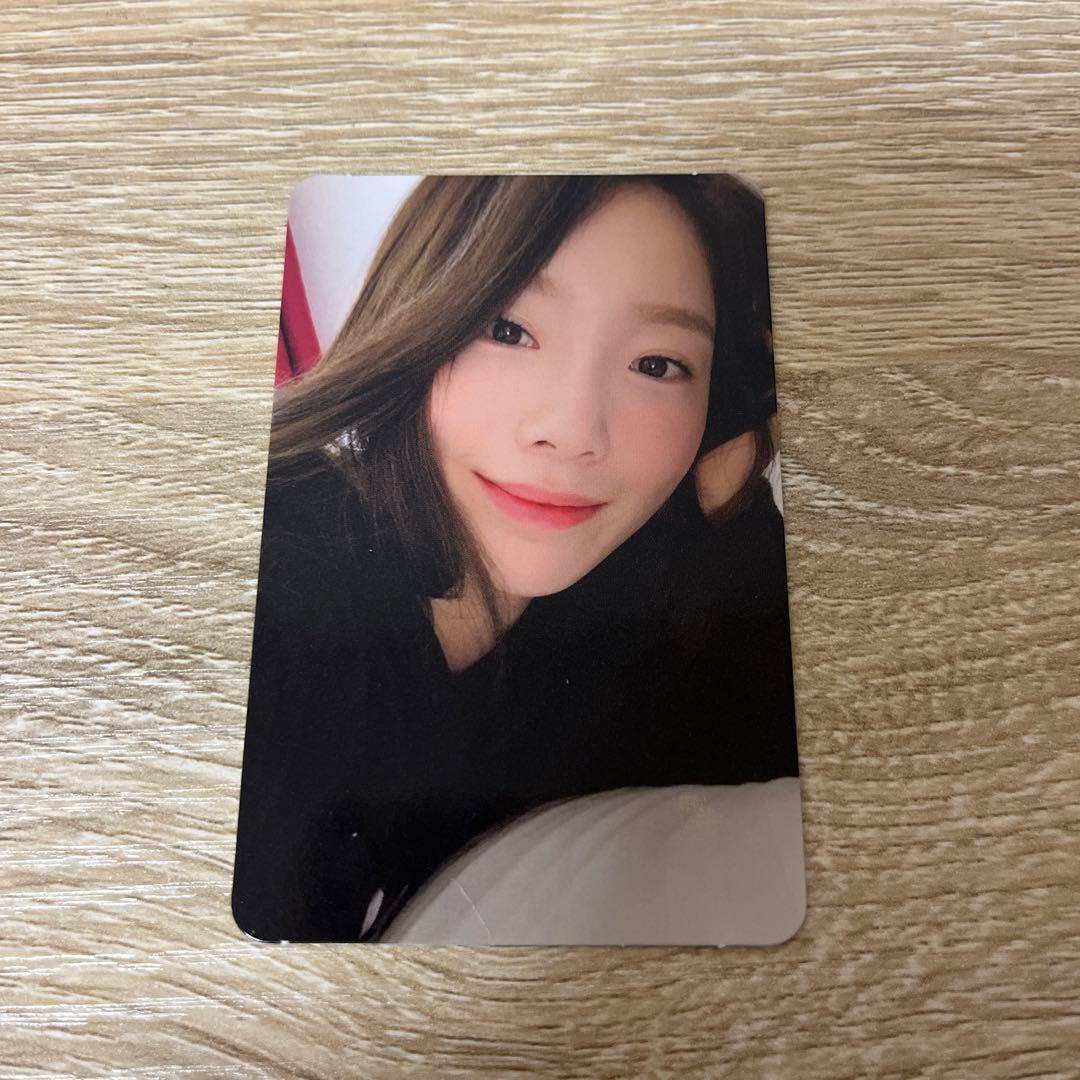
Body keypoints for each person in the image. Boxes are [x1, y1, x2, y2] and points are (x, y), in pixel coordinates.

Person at [232, 175, 798, 943]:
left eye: (658, 365)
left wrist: (727, 496)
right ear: (419, 318)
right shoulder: (282, 586)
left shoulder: (619, 621)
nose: (572, 430)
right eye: (508, 330)